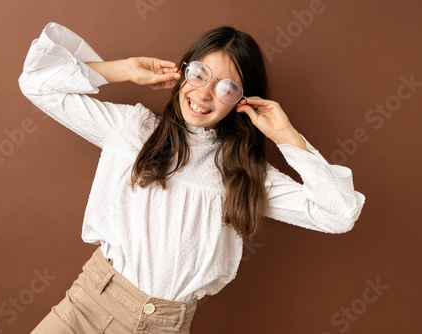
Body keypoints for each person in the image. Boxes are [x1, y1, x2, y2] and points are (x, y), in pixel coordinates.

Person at [18, 22, 365, 334]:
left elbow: (339, 213)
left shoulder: (244, 172)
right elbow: (37, 84)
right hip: (88, 310)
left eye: (226, 88)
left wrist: (285, 135)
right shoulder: (132, 129)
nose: (203, 94)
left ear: (241, 101)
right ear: (183, 72)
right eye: (199, 73)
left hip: (166, 325)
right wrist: (123, 70)